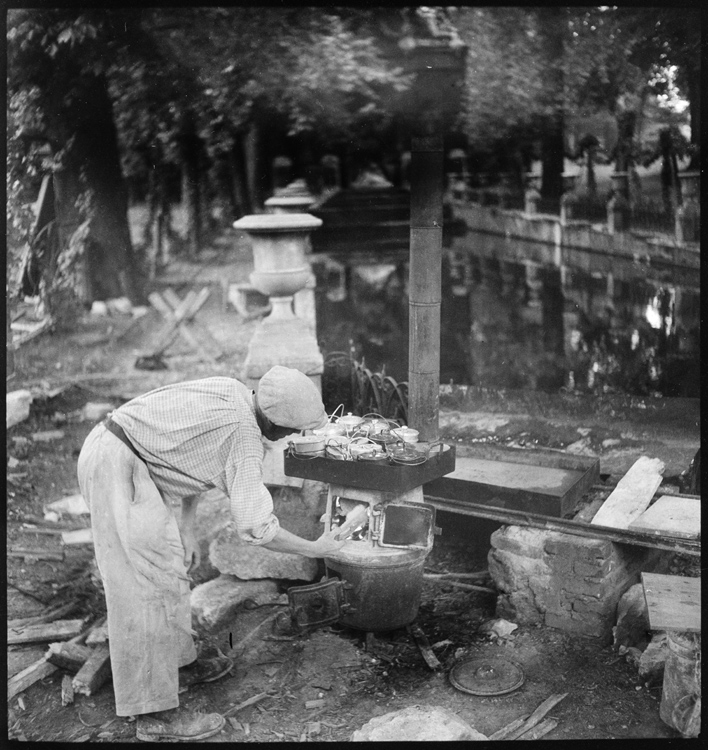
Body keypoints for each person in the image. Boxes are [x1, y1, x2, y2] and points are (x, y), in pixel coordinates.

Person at [77, 366, 345, 741]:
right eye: (291, 432)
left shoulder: (233, 390)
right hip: (113, 466)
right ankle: (154, 717)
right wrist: (316, 548)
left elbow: (189, 453)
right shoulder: (244, 438)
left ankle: (180, 665)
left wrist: (188, 527)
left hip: (128, 455)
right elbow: (257, 528)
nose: (290, 438)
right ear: (274, 423)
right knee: (142, 590)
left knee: (169, 568)